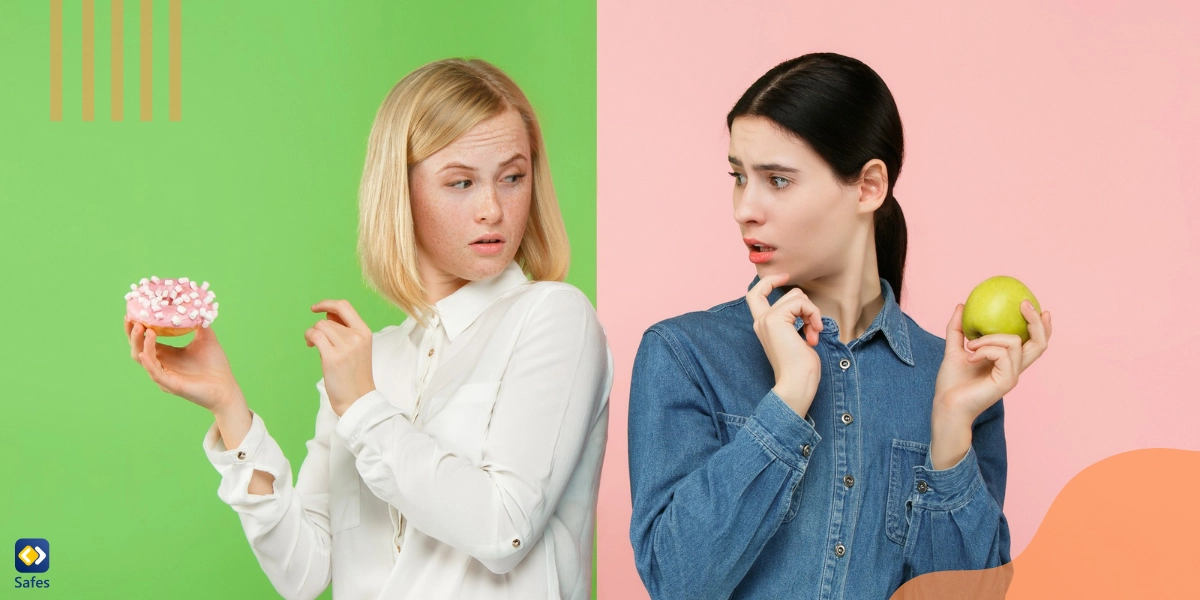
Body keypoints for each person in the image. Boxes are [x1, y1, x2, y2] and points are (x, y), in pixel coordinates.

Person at [125, 58, 612, 600]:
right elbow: (303, 572)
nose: (492, 209)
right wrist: (230, 409)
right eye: (460, 182)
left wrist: (362, 408)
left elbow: (504, 529)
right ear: (398, 191)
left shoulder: (552, 317)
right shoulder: (372, 358)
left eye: (512, 177)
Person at [627, 52, 1052, 599]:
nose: (744, 209)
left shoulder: (955, 380)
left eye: (777, 180)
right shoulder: (685, 354)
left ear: (869, 187)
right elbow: (675, 582)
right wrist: (787, 399)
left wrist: (949, 429)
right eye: (738, 177)